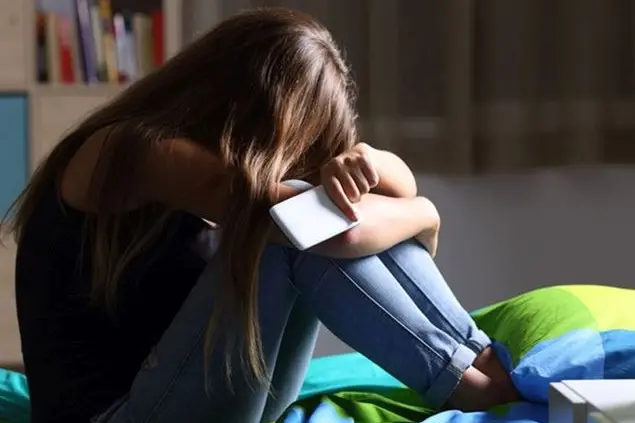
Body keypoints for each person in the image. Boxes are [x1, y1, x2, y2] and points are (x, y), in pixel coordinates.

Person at [1, 8, 518, 423]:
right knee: (295, 227)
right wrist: (424, 214)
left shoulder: (226, 169)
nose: (296, 161)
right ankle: (464, 379)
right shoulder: (134, 150)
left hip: (201, 398)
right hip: (117, 415)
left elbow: (387, 191)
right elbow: (326, 234)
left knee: (308, 215)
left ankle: (474, 358)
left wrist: (365, 160)